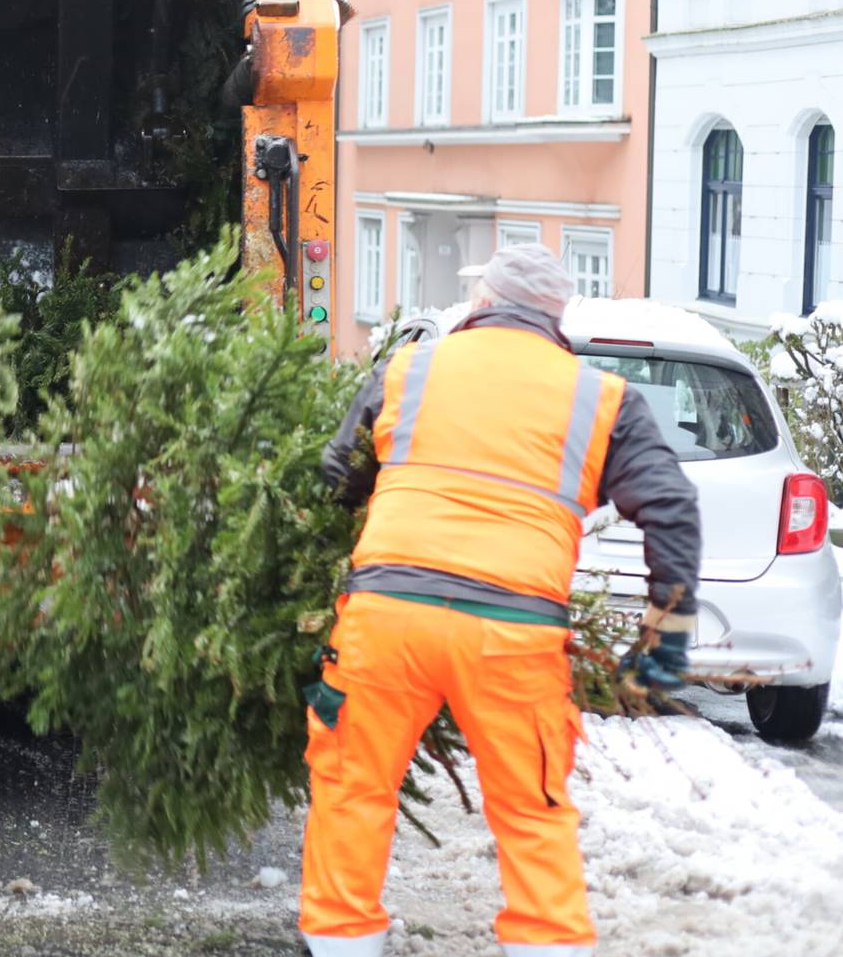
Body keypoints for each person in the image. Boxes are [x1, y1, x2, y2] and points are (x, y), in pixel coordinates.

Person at [299, 244, 703, 957]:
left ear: (482, 304)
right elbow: (670, 504)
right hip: (514, 633)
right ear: (557, 319)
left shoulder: (410, 368)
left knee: (351, 787)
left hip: (387, 619)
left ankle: (341, 943)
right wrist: (664, 636)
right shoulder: (602, 397)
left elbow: (340, 472)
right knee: (532, 808)